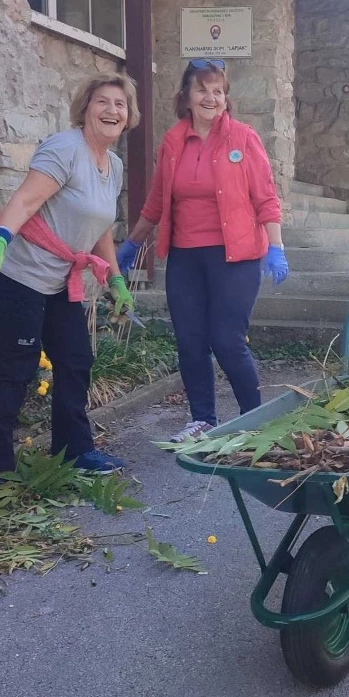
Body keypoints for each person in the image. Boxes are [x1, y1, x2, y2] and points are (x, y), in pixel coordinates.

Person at [0, 72, 139, 501]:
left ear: (129, 115)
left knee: (76, 360)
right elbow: (25, 200)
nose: (112, 110)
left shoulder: (113, 166)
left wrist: (115, 277)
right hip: (21, 274)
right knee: (16, 367)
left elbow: (100, 228)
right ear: (85, 108)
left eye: (120, 104)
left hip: (61, 280)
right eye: (103, 101)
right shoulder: (65, 148)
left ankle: (75, 451)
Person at [117, 59, 289, 443]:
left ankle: (254, 419)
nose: (210, 98)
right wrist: (133, 243)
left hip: (237, 257)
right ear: (186, 97)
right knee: (191, 339)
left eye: (218, 91)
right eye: (202, 90)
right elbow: (158, 201)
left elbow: (266, 199)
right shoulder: (173, 141)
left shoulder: (243, 139)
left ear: (226, 99)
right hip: (186, 257)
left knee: (227, 338)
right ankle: (203, 420)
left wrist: (275, 247)